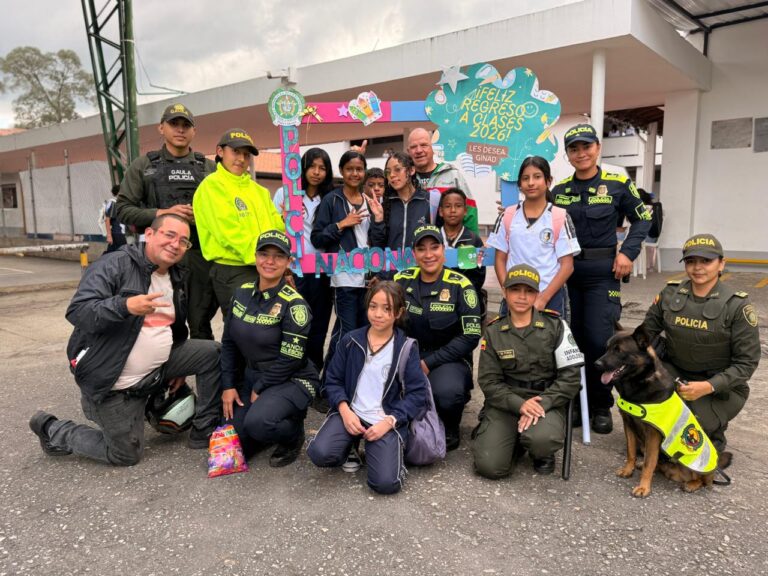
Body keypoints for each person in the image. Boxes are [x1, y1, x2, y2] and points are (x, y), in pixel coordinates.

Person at [28, 214, 222, 465]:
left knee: (212, 353)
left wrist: (182, 368)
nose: (176, 244)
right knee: (125, 455)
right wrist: (125, 305)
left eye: (184, 241)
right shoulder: (115, 264)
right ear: (150, 235)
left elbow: (175, 327)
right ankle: (55, 430)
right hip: (114, 382)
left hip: (157, 369)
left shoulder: (176, 274)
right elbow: (79, 311)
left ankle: (203, 430)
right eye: (169, 235)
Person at [551, 123, 651, 434]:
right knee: (570, 342)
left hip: (602, 275)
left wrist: (627, 254)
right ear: (568, 155)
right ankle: (575, 403)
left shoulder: (618, 184)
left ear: (597, 148)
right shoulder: (559, 192)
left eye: (586, 146)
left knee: (598, 341)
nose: (581, 153)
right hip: (565, 274)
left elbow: (643, 218)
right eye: (574, 148)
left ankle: (600, 405)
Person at [640, 234, 760, 454]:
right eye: (691, 261)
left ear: (721, 264)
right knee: (648, 421)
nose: (698, 268)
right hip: (675, 373)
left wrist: (708, 386)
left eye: (706, 261)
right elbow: (645, 334)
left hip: (719, 385)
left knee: (690, 434)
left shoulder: (737, 305)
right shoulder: (670, 293)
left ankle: (714, 432)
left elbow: (746, 363)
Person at [307, 281, 428, 494]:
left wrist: (390, 421)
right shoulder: (350, 340)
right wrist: (344, 411)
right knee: (320, 453)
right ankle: (350, 445)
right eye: (373, 306)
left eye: (387, 308)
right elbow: (332, 380)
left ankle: (384, 448)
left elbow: (417, 395)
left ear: (399, 312)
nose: (378, 314)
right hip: (352, 415)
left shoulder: (406, 348)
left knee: (385, 484)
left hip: (384, 420)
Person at [116, 103, 217, 340]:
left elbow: (225, 214)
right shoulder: (144, 166)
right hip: (158, 260)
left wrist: (200, 216)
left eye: (186, 125)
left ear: (194, 131)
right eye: (174, 124)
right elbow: (123, 209)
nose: (180, 130)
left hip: (200, 257)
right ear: (161, 128)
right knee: (161, 322)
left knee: (200, 325)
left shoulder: (209, 169)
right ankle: (167, 375)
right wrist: (162, 213)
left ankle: (201, 370)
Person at [473, 264, 583, 478]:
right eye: (515, 290)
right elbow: (488, 381)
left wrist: (543, 403)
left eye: (529, 291)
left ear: (536, 294)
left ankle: (540, 452)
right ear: (505, 292)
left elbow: (571, 377)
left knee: (542, 440)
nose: (522, 296)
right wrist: (520, 404)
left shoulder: (556, 326)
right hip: (507, 402)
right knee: (490, 467)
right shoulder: (494, 331)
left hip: (545, 401)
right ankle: (513, 443)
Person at [220, 230, 319, 467]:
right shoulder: (241, 293)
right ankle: (266, 425)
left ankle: (294, 432)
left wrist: (263, 385)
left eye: (278, 256)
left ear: (288, 262)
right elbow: (229, 342)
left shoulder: (295, 304)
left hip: (292, 378)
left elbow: (291, 359)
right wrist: (228, 385)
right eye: (264, 254)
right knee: (232, 439)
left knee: (259, 423)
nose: (270, 261)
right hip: (252, 375)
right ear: (255, 256)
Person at [394, 225, 482, 450]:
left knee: (446, 394)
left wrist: (428, 363)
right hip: (409, 354)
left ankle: (449, 424)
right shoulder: (401, 280)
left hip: (448, 358)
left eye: (434, 247)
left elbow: (471, 336)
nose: (428, 254)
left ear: (444, 250)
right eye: (421, 249)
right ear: (413, 254)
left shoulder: (461, 285)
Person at [193, 128, 284, 318]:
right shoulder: (212, 186)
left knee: (267, 325)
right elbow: (229, 234)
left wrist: (287, 221)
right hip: (233, 269)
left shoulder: (259, 191)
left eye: (246, 154)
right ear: (220, 152)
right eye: (235, 151)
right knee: (243, 328)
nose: (241, 159)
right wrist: (266, 259)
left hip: (264, 266)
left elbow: (277, 228)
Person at [487, 156, 580, 316]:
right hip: (514, 298)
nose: (531, 183)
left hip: (549, 297)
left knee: (550, 341)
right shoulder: (507, 216)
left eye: (537, 177)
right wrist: (507, 291)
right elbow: (500, 259)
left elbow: (567, 265)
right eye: (525, 178)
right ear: (519, 184)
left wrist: (543, 298)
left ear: (548, 181)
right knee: (510, 340)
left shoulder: (560, 217)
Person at [273, 147, 335, 372]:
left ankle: (313, 373)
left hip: (322, 271)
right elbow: (275, 231)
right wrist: (284, 216)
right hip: (293, 271)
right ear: (302, 168)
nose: (316, 172)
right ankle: (290, 372)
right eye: (312, 166)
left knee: (318, 324)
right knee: (292, 322)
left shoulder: (330, 198)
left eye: (322, 168)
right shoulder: (285, 193)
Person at [311, 151, 371, 363]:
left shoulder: (370, 201)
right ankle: (332, 384)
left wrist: (380, 222)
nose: (354, 173)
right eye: (349, 169)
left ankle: (336, 381)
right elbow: (317, 238)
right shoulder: (332, 200)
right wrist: (341, 224)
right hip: (343, 279)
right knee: (349, 333)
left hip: (367, 280)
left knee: (361, 331)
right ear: (342, 171)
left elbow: (374, 240)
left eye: (359, 169)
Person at [368, 152, 441, 255]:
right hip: (392, 270)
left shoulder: (430, 201)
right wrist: (379, 219)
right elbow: (377, 247)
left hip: (420, 269)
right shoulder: (383, 204)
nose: (392, 175)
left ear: (411, 170)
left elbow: (439, 240)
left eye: (397, 169)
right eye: (388, 172)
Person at [406, 127, 478, 232]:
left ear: (433, 148)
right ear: (408, 151)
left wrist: (472, 243)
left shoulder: (453, 175)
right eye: (413, 147)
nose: (419, 150)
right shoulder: (404, 180)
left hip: (448, 246)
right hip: (413, 246)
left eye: (424, 145)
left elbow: (470, 212)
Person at [438, 187, 487, 315]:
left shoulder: (474, 240)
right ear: (441, 212)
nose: (453, 210)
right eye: (448, 206)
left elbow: (479, 275)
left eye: (458, 206)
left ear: (465, 211)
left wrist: (461, 293)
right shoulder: (433, 238)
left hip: (463, 301)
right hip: (436, 299)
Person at [102, 184, 127, 253]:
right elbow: (107, 219)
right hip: (117, 233)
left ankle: (104, 262)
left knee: (114, 253)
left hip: (122, 233)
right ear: (118, 193)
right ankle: (103, 262)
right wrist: (109, 235)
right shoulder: (113, 203)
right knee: (117, 253)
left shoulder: (120, 203)